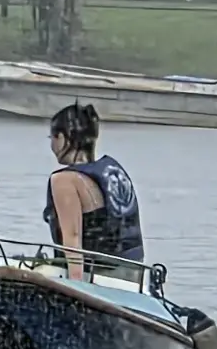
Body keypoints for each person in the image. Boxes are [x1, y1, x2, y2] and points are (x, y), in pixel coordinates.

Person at [40, 102, 144, 266]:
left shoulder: (64, 180)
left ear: (62, 137)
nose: (51, 145)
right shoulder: (112, 170)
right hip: (134, 274)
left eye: (52, 137)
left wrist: (75, 285)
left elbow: (73, 239)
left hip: (98, 275)